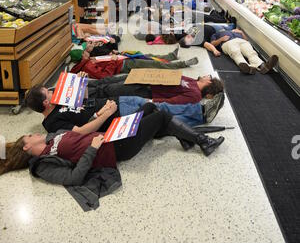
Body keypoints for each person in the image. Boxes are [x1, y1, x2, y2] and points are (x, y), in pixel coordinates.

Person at [0, 105, 225, 200]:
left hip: (113, 133)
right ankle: (203, 141)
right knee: (162, 116)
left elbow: (82, 131)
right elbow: (74, 177)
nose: (35, 134)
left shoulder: (52, 137)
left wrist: (102, 114)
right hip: (117, 148)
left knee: (148, 107)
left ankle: (185, 138)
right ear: (27, 147)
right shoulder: (43, 165)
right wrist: (92, 149)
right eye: (30, 137)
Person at [24, 84, 225, 136]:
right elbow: (81, 132)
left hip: (115, 101)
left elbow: (83, 101)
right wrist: (107, 114)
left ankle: (199, 110)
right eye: (47, 93)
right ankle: (201, 114)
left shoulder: (59, 103)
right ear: (44, 104)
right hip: (115, 115)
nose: (51, 92)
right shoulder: (52, 124)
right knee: (160, 116)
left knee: (160, 106)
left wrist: (81, 83)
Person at [91, 73, 224, 105]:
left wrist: (149, 101)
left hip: (145, 90)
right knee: (108, 81)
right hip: (145, 79)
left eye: (209, 76)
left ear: (209, 82)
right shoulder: (193, 81)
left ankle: (79, 95)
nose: (206, 75)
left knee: (108, 90)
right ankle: (80, 85)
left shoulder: (195, 95)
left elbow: (173, 101)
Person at [71, 48, 199, 79]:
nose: (86, 51)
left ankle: (171, 56)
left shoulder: (89, 60)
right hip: (124, 65)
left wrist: (112, 54)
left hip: (122, 59)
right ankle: (182, 64)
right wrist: (113, 61)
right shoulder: (88, 66)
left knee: (149, 56)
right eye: (84, 52)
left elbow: (103, 61)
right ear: (82, 57)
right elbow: (105, 76)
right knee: (154, 64)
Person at [210, 28, 279, 74]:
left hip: (241, 41)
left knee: (250, 52)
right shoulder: (216, 34)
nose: (223, 29)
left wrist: (242, 33)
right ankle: (247, 67)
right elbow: (212, 44)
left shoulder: (235, 31)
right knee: (235, 52)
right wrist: (221, 39)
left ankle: (262, 66)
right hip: (228, 42)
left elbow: (246, 40)